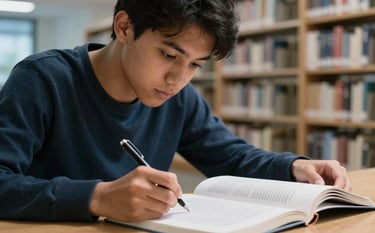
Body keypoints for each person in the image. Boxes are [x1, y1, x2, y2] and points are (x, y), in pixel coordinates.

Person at [0, 0, 350, 223]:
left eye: (195, 65)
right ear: (124, 27)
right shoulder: (42, 79)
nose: (177, 79)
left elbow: (231, 157)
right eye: (169, 55)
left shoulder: (178, 98)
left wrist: (292, 166)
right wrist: (96, 197)